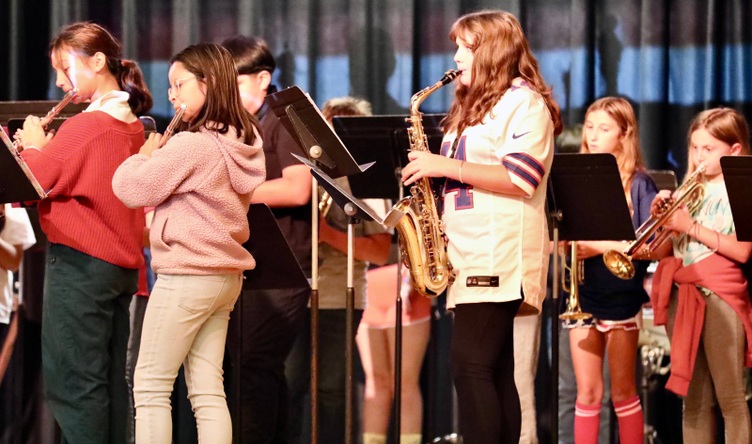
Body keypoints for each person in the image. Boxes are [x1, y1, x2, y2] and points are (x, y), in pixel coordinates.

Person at [400, 10, 562, 443]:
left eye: (464, 48)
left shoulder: (524, 103)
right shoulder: (473, 108)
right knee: (493, 369)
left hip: (498, 250)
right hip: (466, 251)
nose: (454, 56)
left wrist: (443, 164)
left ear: (491, 51)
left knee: (469, 366)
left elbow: (520, 178)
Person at [112, 42, 265, 443]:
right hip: (223, 277)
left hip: (186, 276)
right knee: (207, 389)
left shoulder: (193, 144)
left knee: (149, 386)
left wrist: (143, 154)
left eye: (179, 84)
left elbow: (130, 188)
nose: (172, 95)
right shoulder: (244, 139)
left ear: (208, 83)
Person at [14, 21, 152, 444]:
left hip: (81, 265)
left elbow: (34, 182)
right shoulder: (130, 123)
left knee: (74, 384)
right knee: (108, 381)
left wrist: (34, 144)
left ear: (96, 62)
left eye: (65, 69)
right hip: (119, 267)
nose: (59, 81)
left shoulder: (88, 126)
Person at [284, 96, 393, 444]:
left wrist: (325, 234)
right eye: (327, 129)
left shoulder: (366, 182)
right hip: (291, 295)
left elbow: (378, 251)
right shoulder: (302, 173)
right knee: (287, 386)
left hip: (338, 298)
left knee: (330, 391)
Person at [221, 35, 312, 443]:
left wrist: (224, 190)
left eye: (236, 85)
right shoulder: (236, 126)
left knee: (254, 366)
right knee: (250, 371)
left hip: (283, 267)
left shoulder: (287, 117)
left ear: (263, 78)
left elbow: (297, 190)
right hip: (246, 263)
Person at [649, 107, 752, 444]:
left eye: (709, 149)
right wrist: (663, 221)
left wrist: (689, 225)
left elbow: (743, 251)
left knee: (731, 398)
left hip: (721, 294)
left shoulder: (741, 187)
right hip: (685, 294)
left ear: (734, 150)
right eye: (695, 147)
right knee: (693, 400)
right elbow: (665, 251)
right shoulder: (687, 190)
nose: (699, 156)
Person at [564, 97, 656, 444]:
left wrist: (599, 246)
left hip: (622, 297)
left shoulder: (639, 183)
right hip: (584, 294)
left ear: (625, 133)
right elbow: (564, 239)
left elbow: (646, 241)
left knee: (622, 390)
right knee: (586, 391)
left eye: (604, 129)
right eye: (590, 127)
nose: (593, 136)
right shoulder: (578, 178)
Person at [553, 124, 613, 444]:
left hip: (606, 298)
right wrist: (566, 246)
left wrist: (592, 246)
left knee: (597, 392)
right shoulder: (561, 190)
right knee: (567, 391)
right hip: (569, 296)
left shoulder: (608, 188)